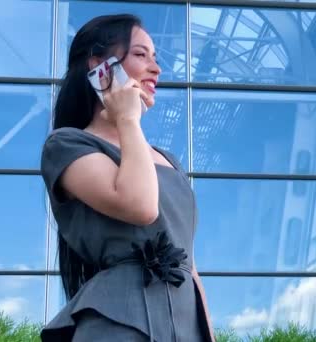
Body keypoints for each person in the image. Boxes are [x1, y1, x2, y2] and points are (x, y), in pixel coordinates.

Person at [39, 14, 214, 342]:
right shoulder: (66, 145)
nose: (156, 68)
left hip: (186, 325)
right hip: (117, 323)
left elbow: (189, 265)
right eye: (140, 54)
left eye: (155, 57)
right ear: (100, 68)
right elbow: (140, 206)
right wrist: (128, 120)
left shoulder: (168, 161)